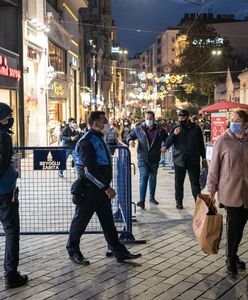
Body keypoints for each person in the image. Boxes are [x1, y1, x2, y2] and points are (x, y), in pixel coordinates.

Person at [66, 111, 141, 264]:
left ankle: (119, 252)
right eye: (104, 121)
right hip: (89, 190)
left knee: (108, 223)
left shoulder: (98, 138)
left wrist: (104, 188)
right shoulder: (87, 141)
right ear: (94, 123)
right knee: (80, 222)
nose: (107, 123)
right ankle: (73, 251)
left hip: (99, 190)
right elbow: (89, 170)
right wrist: (106, 187)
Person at [207, 109, 248, 276]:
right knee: (233, 227)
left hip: (247, 192)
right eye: (233, 120)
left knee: (240, 227)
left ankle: (234, 254)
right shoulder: (223, 140)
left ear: (246, 125)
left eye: (237, 121)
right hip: (231, 191)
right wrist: (211, 189)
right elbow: (214, 167)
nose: (234, 123)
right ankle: (230, 258)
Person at [0, 103, 28, 288]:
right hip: (4, 192)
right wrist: (12, 172)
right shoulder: (3, 137)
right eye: (8, 116)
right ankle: (11, 275)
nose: (10, 119)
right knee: (11, 232)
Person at [166, 109, 207, 209]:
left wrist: (204, 157)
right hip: (179, 160)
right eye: (179, 117)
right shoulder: (175, 128)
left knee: (195, 183)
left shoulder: (196, 128)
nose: (181, 119)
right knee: (179, 182)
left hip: (193, 159)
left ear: (188, 117)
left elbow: (201, 144)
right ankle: (179, 201)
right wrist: (174, 134)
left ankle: (198, 203)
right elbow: (167, 143)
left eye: (183, 117)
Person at [126, 111, 168, 209]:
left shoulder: (160, 130)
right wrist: (130, 141)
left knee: (153, 178)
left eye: (150, 118)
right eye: (147, 118)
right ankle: (141, 200)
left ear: (154, 119)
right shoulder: (139, 129)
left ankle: (152, 198)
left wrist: (165, 146)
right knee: (144, 176)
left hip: (154, 157)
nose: (148, 120)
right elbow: (129, 136)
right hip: (142, 157)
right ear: (144, 118)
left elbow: (167, 139)